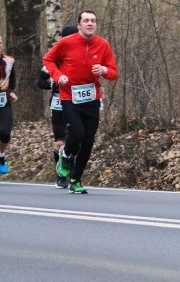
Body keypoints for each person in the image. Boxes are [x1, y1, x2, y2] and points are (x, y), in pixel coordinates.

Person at [43, 11, 119, 194]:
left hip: (92, 99)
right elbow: (48, 60)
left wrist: (104, 70)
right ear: (79, 25)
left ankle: (75, 180)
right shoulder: (66, 43)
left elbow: (114, 72)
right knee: (76, 135)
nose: (90, 23)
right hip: (69, 97)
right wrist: (59, 75)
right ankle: (66, 154)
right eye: (86, 20)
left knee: (88, 142)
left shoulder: (103, 45)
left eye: (93, 20)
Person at [37, 25, 79, 188]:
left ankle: (73, 173)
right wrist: (52, 84)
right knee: (60, 143)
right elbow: (40, 82)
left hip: (76, 106)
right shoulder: (54, 58)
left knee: (75, 141)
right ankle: (61, 175)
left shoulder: (83, 57)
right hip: (58, 106)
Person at [0, 35, 19, 175]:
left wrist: (11, 91)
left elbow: (11, 77)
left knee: (5, 132)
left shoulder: (9, 61)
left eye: (0, 42)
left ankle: (0, 156)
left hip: (3, 100)